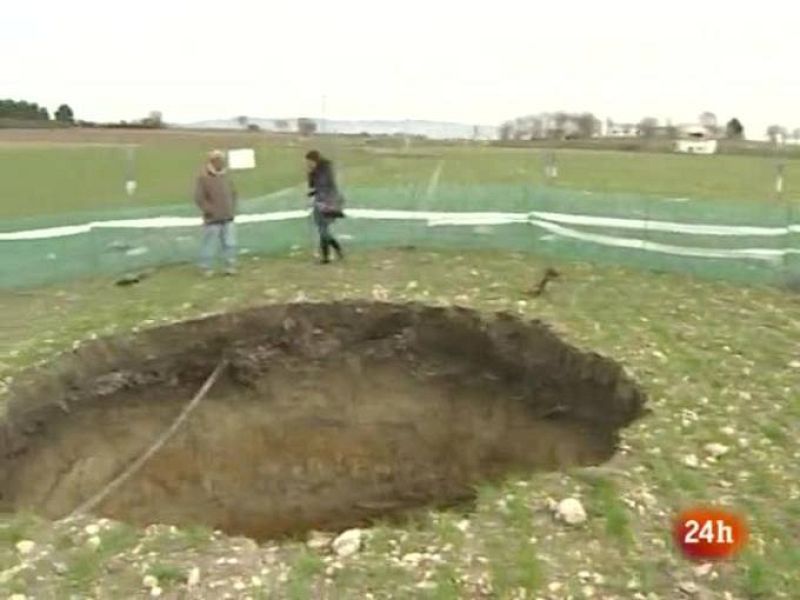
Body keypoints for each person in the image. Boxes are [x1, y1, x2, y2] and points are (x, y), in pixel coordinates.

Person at [194, 150, 238, 276]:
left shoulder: (226, 177)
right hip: (212, 219)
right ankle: (206, 267)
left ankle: (230, 267)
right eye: (218, 159)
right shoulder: (204, 178)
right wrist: (210, 211)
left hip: (228, 217)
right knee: (209, 244)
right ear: (212, 161)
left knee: (230, 244)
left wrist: (232, 208)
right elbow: (199, 198)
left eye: (222, 159)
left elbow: (233, 193)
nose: (220, 162)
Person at [305, 150, 345, 264]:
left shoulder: (324, 171)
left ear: (315, 160)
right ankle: (337, 250)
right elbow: (313, 186)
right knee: (323, 229)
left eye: (309, 162)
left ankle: (326, 256)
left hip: (328, 202)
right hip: (321, 201)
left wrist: (313, 176)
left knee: (323, 229)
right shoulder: (317, 171)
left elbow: (324, 186)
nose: (308, 164)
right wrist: (311, 174)